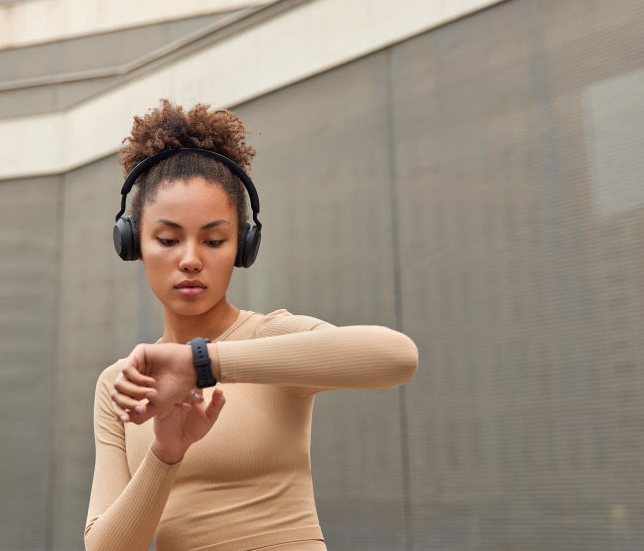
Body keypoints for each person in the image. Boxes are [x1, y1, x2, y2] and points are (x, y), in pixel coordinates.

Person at [84, 100, 419, 551]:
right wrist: (165, 454)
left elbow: (397, 357)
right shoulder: (119, 385)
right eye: (167, 239)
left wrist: (204, 364)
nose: (190, 259)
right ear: (133, 243)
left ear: (243, 246)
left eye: (214, 239)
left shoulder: (268, 340)